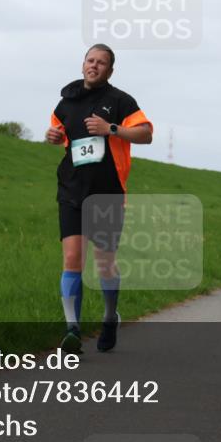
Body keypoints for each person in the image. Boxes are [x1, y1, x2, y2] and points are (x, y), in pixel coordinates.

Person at [46, 44, 152, 353]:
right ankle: (72, 330)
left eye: (101, 62)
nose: (94, 65)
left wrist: (111, 128)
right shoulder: (66, 102)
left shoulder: (120, 101)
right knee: (72, 259)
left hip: (107, 193)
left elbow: (145, 134)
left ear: (110, 70)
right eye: (90, 60)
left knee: (105, 264)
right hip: (71, 190)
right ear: (83, 65)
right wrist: (52, 137)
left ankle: (109, 318)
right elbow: (61, 135)